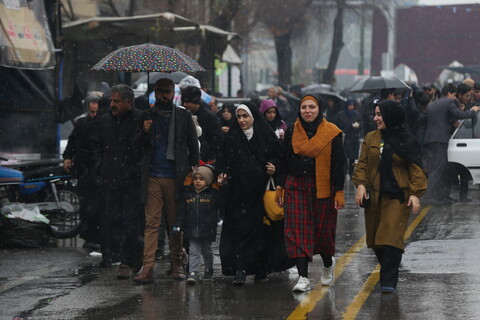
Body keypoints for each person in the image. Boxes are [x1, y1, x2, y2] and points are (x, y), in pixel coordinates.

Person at [352, 100, 427, 293]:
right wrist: (360, 184)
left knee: (391, 239)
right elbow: (362, 164)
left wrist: (416, 194)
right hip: (375, 197)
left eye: (380, 114)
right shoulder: (370, 138)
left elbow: (416, 169)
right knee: (377, 241)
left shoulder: (407, 139)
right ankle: (388, 270)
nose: (375, 118)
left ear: (391, 116)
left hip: (398, 197)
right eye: (375, 114)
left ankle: (388, 281)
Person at [275, 93, 345, 292]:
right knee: (297, 232)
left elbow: (339, 165)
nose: (307, 111)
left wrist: (339, 191)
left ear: (319, 110)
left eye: (312, 107)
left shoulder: (332, 133)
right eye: (304, 107)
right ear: (299, 109)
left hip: (323, 188)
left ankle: (327, 265)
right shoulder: (291, 131)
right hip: (296, 186)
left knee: (322, 234)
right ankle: (303, 278)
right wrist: (280, 186)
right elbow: (284, 160)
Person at [134, 78, 199, 284]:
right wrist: (144, 131)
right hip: (153, 176)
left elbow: (192, 145)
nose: (163, 95)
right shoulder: (146, 115)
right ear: (154, 93)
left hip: (176, 177)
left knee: (175, 224)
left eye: (167, 92)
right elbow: (136, 145)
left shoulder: (183, 115)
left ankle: (177, 264)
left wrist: (193, 170)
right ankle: (148, 266)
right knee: (152, 223)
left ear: (173, 93)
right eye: (160, 91)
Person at [216, 102, 284, 285]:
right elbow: (223, 158)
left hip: (260, 193)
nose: (241, 120)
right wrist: (222, 173)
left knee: (262, 233)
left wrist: (273, 167)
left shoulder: (265, 136)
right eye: (238, 117)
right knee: (240, 231)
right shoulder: (233, 136)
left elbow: (278, 157)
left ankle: (261, 267)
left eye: (244, 116)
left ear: (253, 117)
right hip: (238, 194)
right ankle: (240, 268)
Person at [94, 84, 143, 279]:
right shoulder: (105, 120)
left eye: (116, 101)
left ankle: (128, 261)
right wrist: (101, 166)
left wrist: (134, 170)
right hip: (110, 179)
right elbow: (97, 145)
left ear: (128, 102)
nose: (112, 104)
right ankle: (116, 254)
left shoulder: (140, 119)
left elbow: (144, 149)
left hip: (132, 181)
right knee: (111, 220)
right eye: (111, 100)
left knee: (130, 222)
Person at [422, 84, 479, 204]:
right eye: (467, 95)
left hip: (431, 139)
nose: (468, 98)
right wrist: (472, 111)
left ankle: (440, 196)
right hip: (440, 139)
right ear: (450, 94)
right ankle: (429, 197)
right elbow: (461, 115)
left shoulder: (434, 103)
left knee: (437, 169)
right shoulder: (449, 102)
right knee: (437, 170)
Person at [63, 94, 103, 250]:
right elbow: (72, 142)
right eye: (91, 111)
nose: (93, 115)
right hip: (84, 170)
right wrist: (68, 157)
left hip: (95, 171)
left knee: (94, 206)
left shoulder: (102, 124)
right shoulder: (82, 124)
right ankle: (90, 236)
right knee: (87, 205)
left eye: (95, 112)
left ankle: (92, 236)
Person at [179, 165, 226, 285]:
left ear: (208, 181)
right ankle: (193, 272)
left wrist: (222, 186)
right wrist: (178, 224)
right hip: (192, 229)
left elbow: (222, 203)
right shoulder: (188, 195)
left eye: (201, 179)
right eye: (196, 179)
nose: (198, 181)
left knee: (207, 251)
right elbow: (182, 212)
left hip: (207, 229)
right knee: (194, 251)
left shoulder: (212, 194)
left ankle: (208, 268)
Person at [181, 86, 224, 163]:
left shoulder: (210, 117)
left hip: (204, 160)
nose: (184, 104)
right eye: (183, 102)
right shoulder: (182, 115)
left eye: (187, 102)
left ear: (196, 101)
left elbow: (216, 140)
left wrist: (207, 156)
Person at [334, 99, 362, 178]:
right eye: (350, 105)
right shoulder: (341, 114)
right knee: (344, 156)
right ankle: (344, 171)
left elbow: (360, 125)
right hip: (344, 138)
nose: (351, 107)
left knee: (352, 157)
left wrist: (358, 126)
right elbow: (336, 125)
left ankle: (351, 171)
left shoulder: (356, 114)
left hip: (353, 138)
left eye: (353, 105)